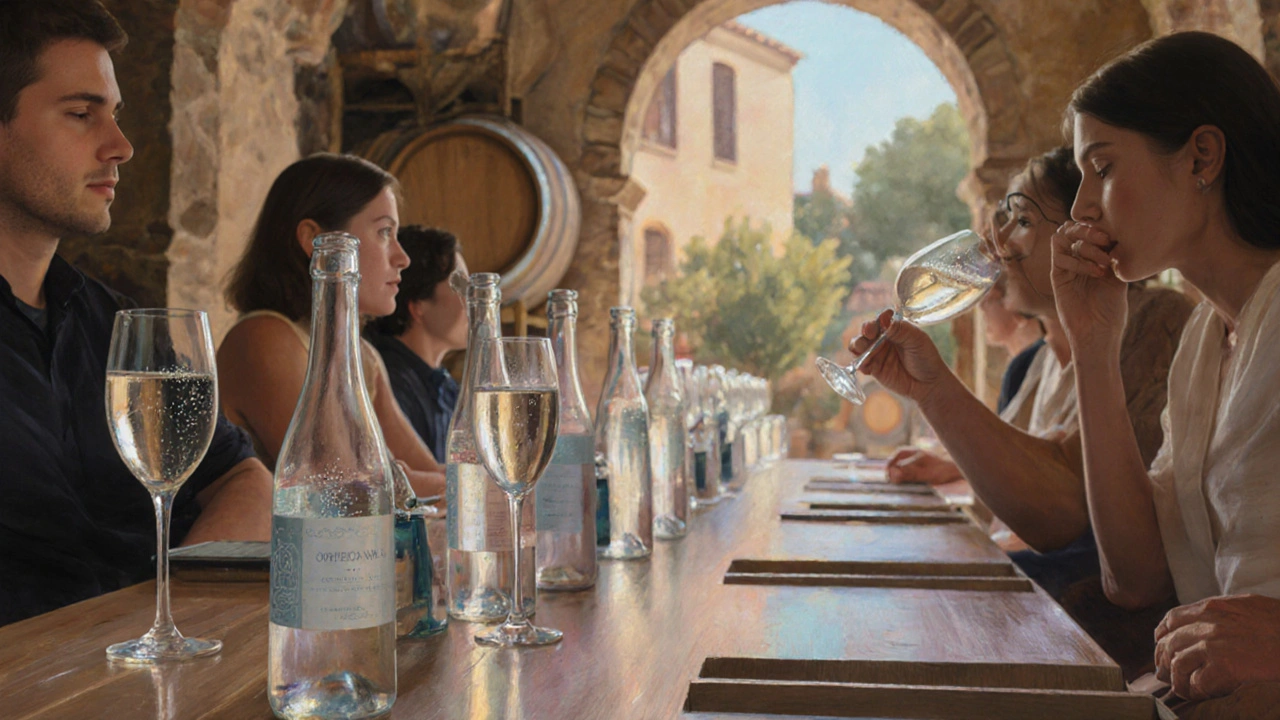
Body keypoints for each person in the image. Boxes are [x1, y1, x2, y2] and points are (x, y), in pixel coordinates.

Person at [0, 0, 271, 626]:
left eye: (114, 115)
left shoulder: (119, 329)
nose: (120, 146)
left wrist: (169, 617)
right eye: (79, 114)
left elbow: (244, 477)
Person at [1048, 31, 1280, 702]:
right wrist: (1094, 349)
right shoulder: (1206, 343)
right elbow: (1135, 578)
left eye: (1104, 167)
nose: (1082, 207)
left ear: (1202, 156)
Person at [218, 153, 445, 497]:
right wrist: (483, 485)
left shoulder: (363, 357)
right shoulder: (265, 338)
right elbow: (343, 487)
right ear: (313, 238)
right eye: (385, 232)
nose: (403, 257)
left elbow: (427, 479)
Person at [365, 226, 467, 463]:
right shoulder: (392, 383)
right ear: (418, 305)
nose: (473, 300)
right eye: (460, 287)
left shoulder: (446, 386)